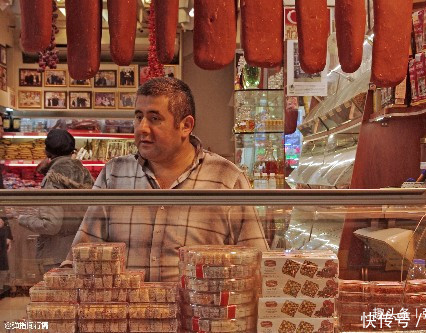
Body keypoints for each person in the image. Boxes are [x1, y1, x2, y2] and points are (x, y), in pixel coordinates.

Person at [64, 77, 268, 281]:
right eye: (138, 117)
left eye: (154, 118)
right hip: (127, 310)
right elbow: (82, 254)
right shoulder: (114, 174)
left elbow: (257, 264)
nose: (142, 128)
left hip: (199, 312)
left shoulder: (226, 179)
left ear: (186, 125)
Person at [17, 129, 94, 273]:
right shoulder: (85, 173)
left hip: (56, 256)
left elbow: (51, 225)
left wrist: (22, 219)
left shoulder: (53, 178)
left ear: (47, 152)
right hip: (82, 251)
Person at [0, 214, 12, 295]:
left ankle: (0, 287)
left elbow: (9, 239)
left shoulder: (6, 228)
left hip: (2, 251)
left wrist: (9, 244)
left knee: (4, 270)